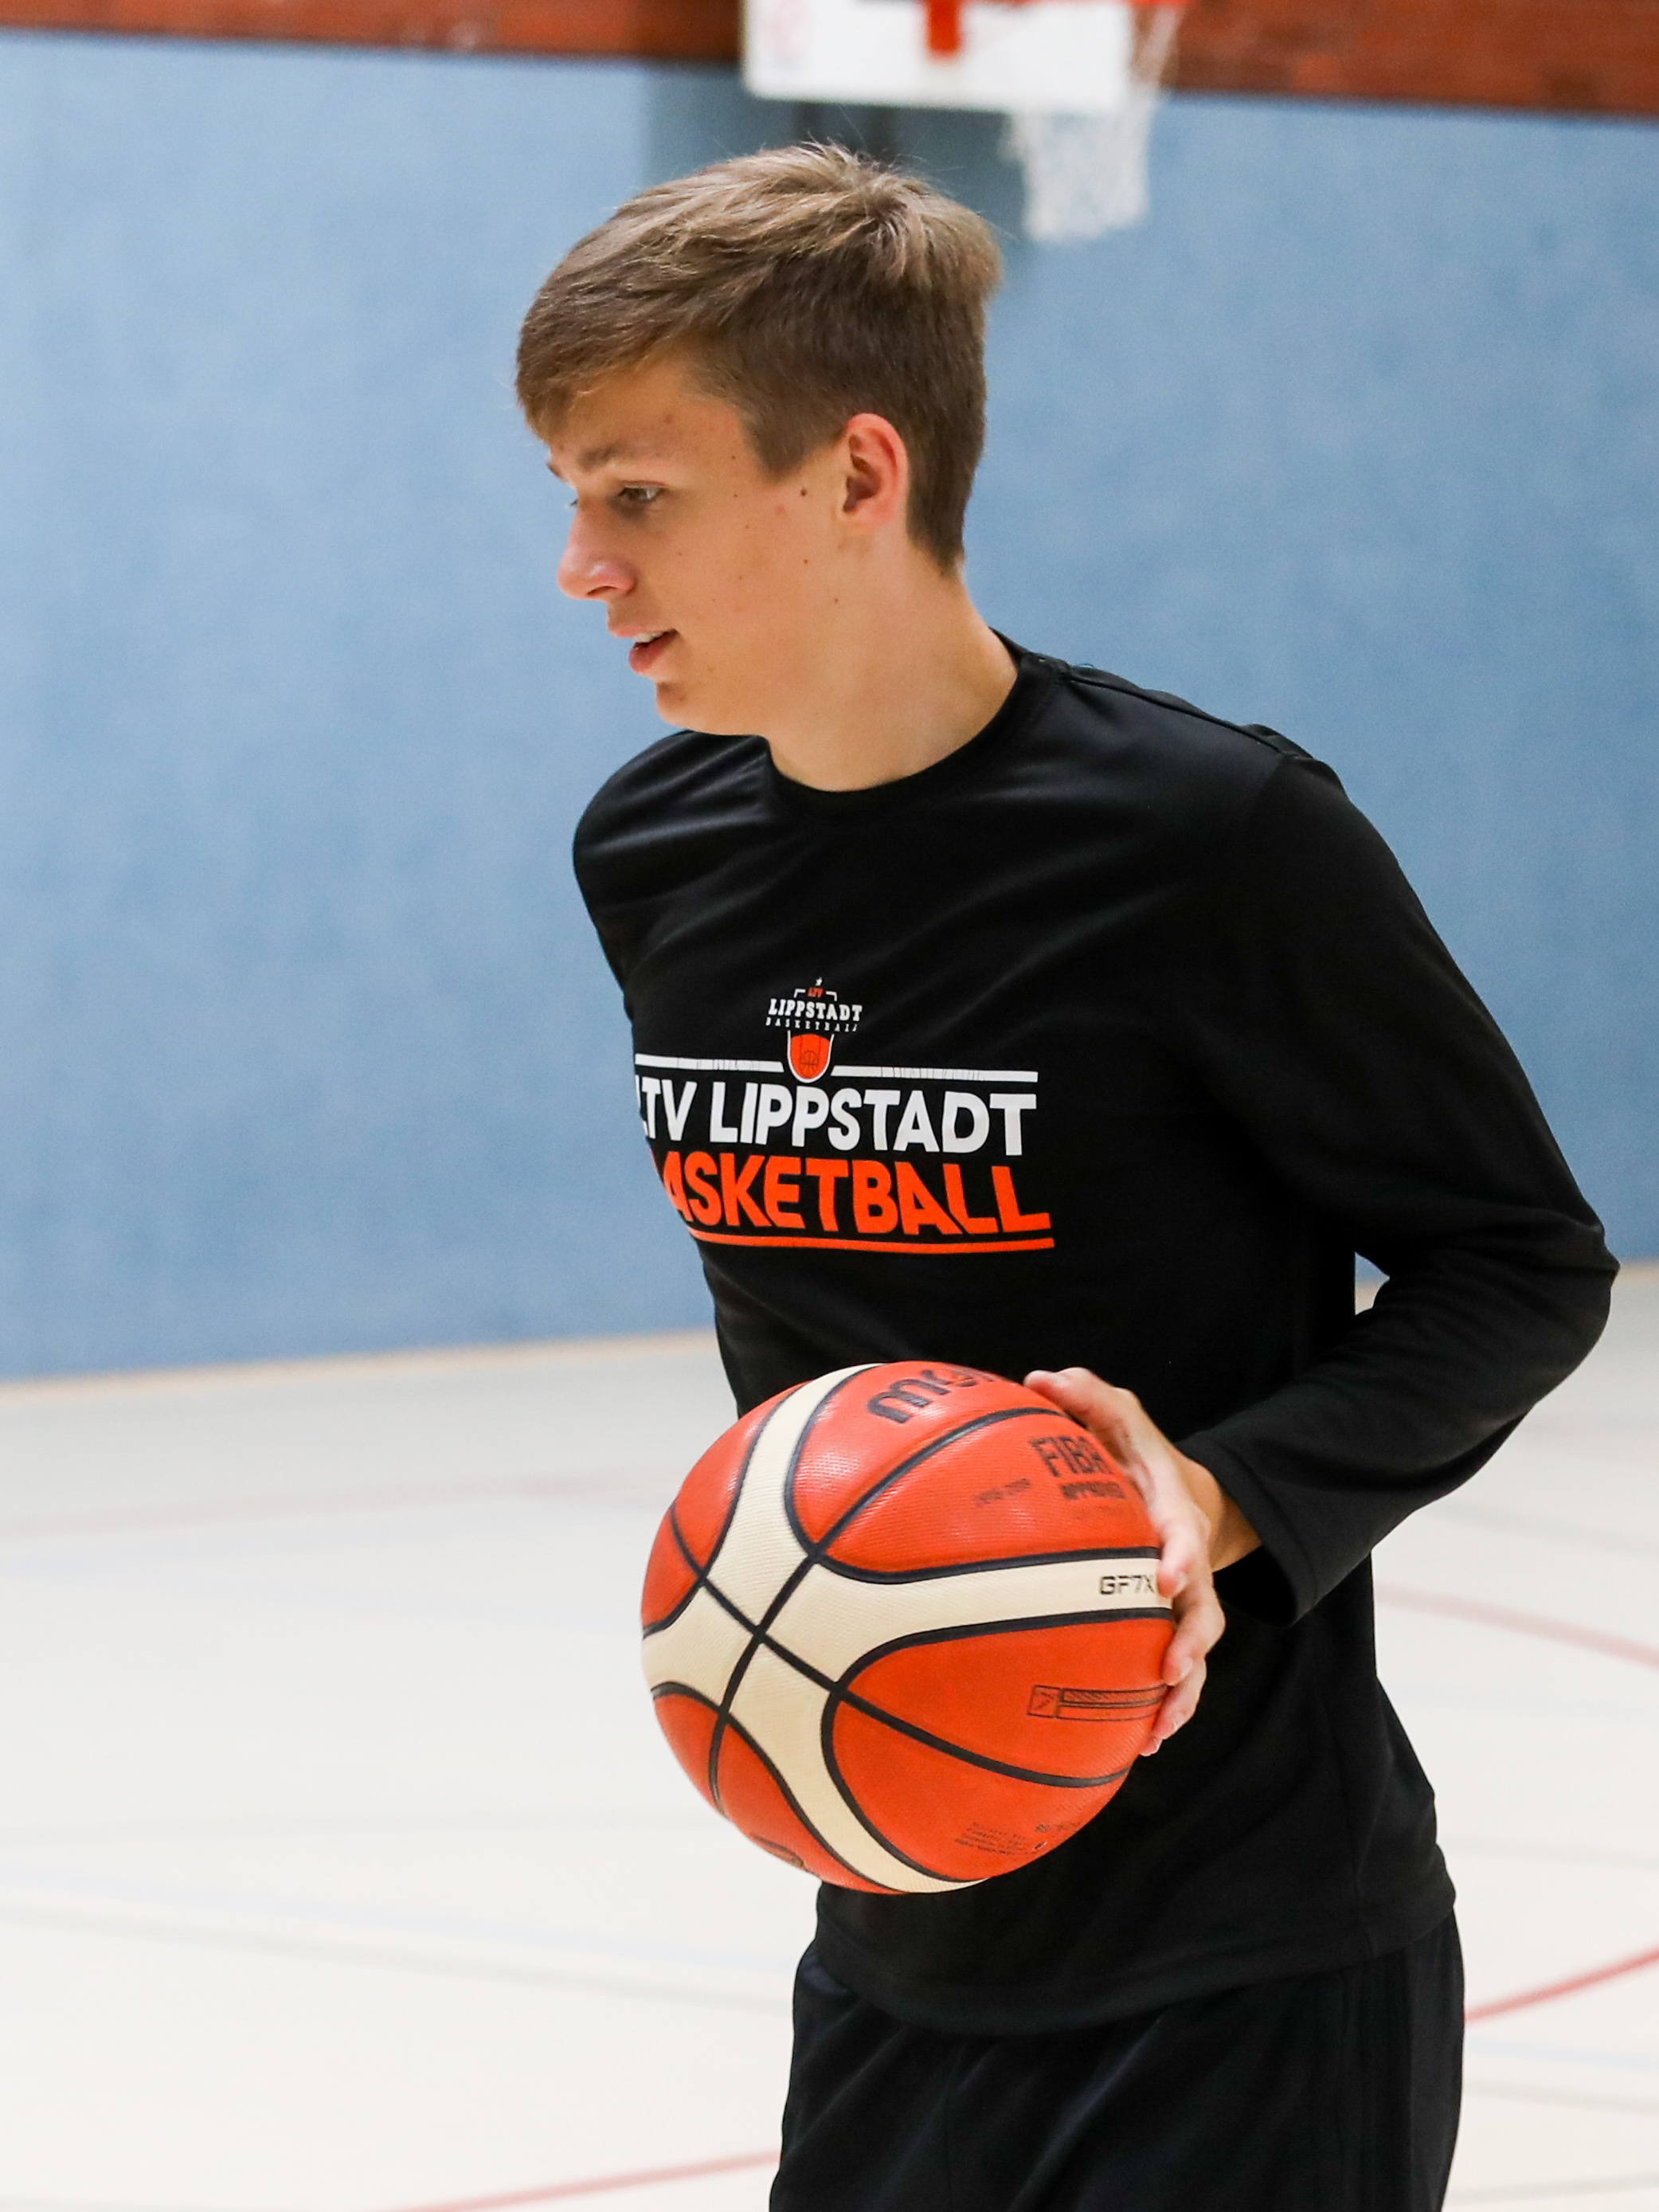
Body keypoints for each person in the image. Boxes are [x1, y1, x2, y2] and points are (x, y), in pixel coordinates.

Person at [515, 144, 1615, 2211]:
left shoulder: (1210, 838)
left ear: (857, 474)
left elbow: (1518, 1263)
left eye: (634, 494)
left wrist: (1209, 1500)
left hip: (1248, 1968)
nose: (581, 565)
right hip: (895, 1922)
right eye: (571, 497)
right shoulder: (648, 854)